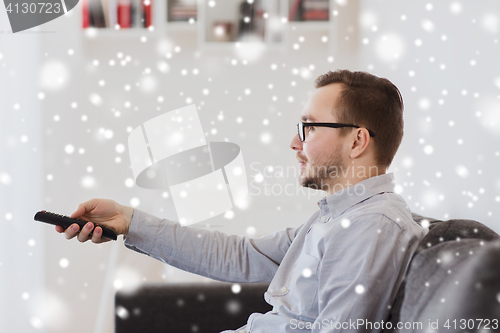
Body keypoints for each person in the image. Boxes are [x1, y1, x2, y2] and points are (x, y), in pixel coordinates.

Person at [57, 69, 426, 332]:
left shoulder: (372, 227)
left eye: (309, 127)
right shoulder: (339, 216)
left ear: (358, 141)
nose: (295, 143)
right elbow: (241, 255)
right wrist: (129, 219)